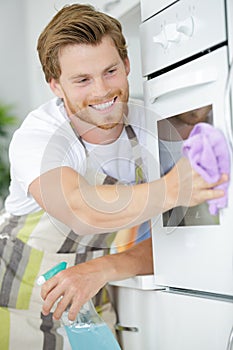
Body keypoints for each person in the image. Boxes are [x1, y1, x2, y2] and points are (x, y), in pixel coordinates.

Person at [0, 4, 227, 350]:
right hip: (11, 311)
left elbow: (175, 238)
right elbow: (79, 210)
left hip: (88, 305)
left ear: (127, 65)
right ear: (55, 86)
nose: (102, 91)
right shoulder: (41, 136)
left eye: (110, 71)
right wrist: (172, 188)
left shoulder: (148, 129)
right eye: (82, 80)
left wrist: (104, 268)